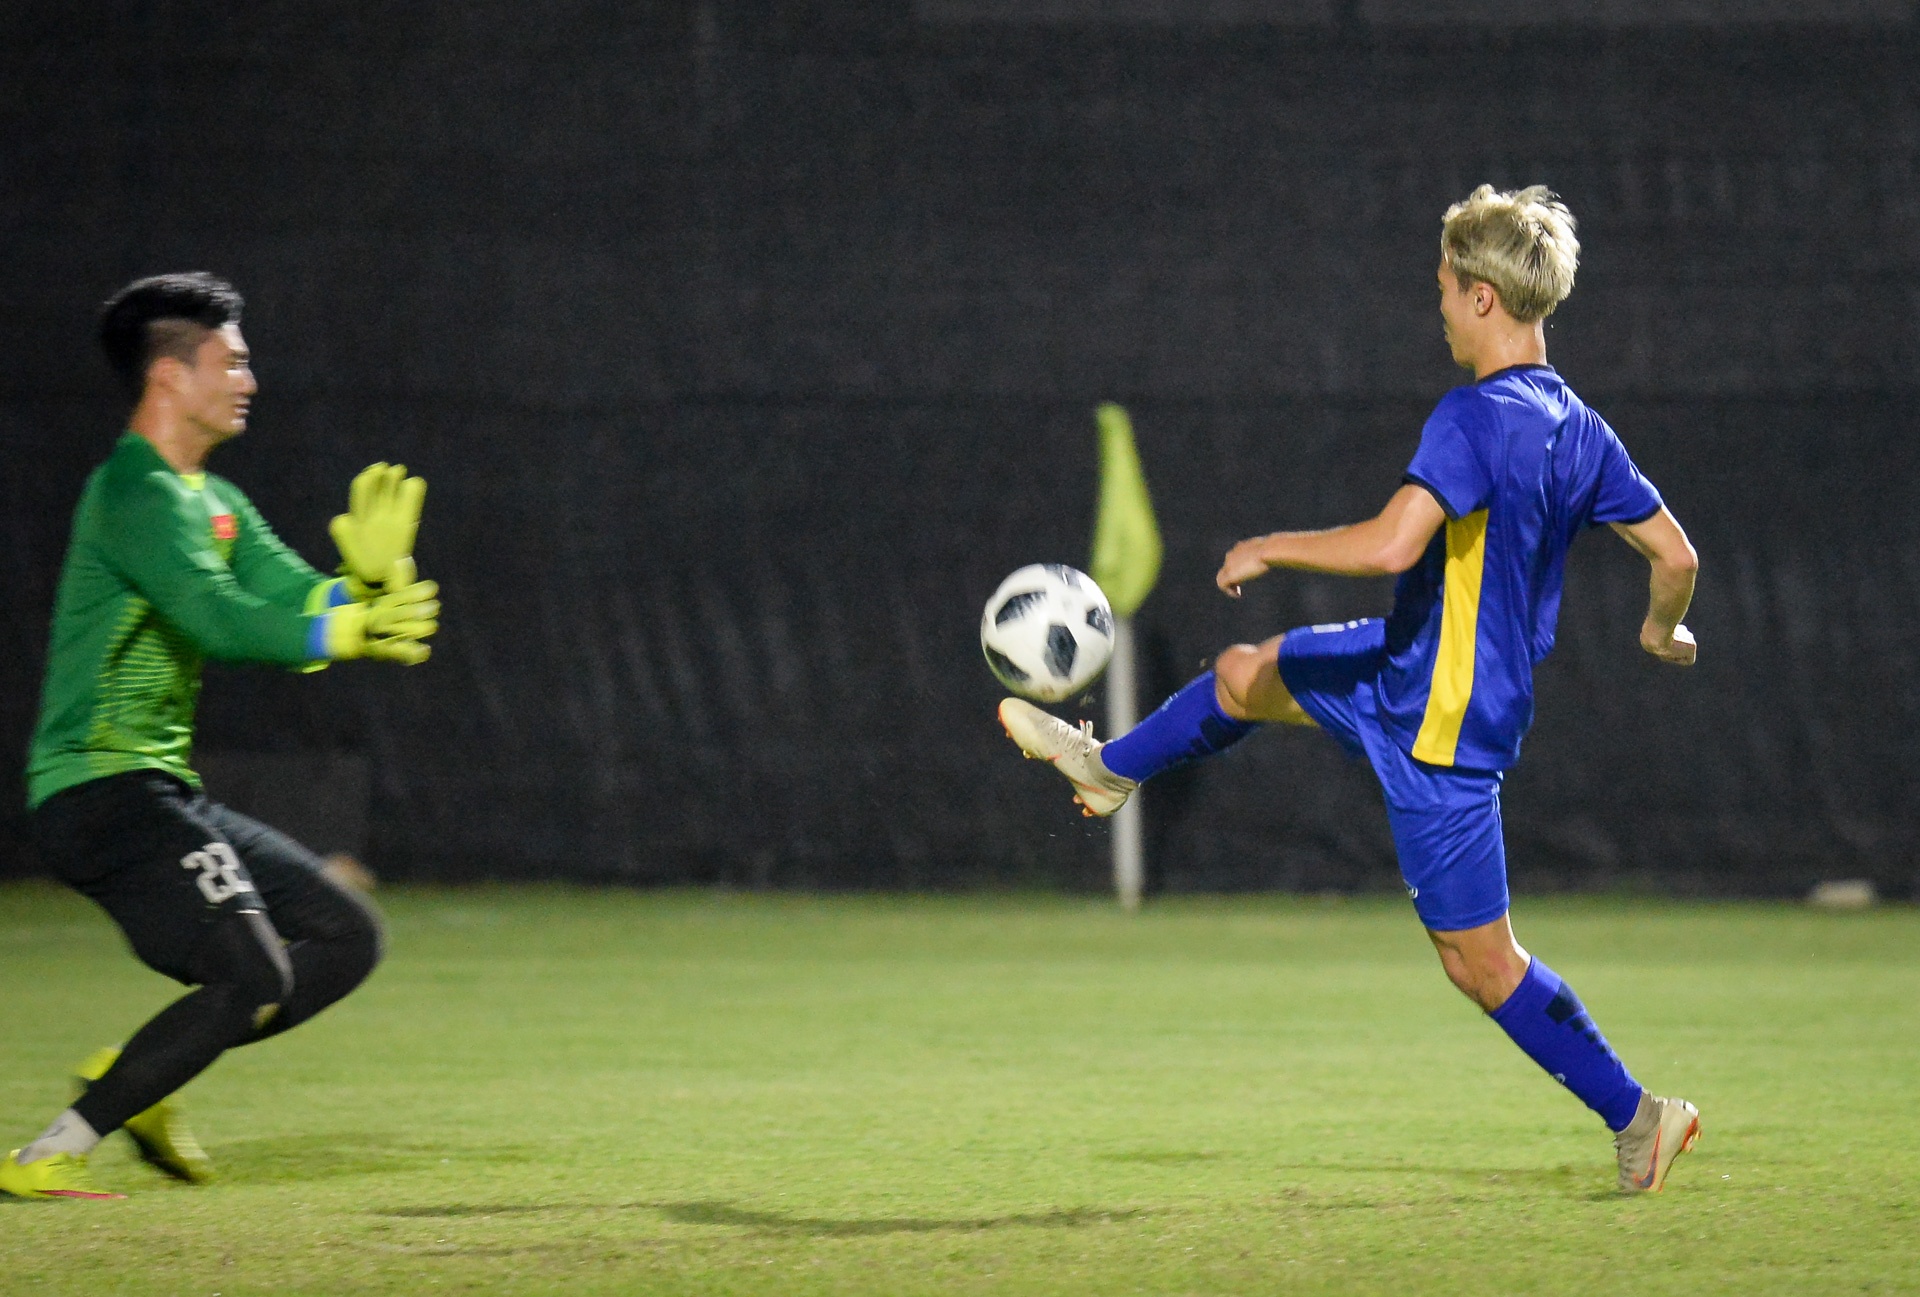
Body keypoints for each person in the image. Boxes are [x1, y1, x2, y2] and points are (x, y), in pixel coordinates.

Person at [1000, 186, 1703, 1194]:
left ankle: (1642, 1116)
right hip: (1403, 663)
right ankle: (1105, 767)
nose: (1442, 312)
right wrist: (1659, 626)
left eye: (1446, 293)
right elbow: (1674, 552)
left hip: (1441, 727)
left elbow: (1390, 544)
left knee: (1482, 965)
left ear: (1483, 300)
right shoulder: (1578, 426)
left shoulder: (1474, 414)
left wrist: (1268, 545)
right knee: (1243, 674)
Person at [1, 273, 440, 1200]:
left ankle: (142, 1076)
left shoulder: (211, 498)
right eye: (232, 361)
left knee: (344, 933)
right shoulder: (136, 493)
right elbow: (218, 618)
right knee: (251, 969)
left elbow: (287, 595)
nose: (249, 378)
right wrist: (355, 628)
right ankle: (46, 1154)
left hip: (158, 790)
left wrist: (366, 585)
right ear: (169, 376)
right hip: (95, 791)